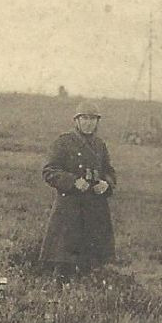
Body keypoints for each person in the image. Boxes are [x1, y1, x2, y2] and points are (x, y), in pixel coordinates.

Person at [39, 102, 117, 283]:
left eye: (93, 119)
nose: (89, 123)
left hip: (95, 209)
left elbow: (109, 171)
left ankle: (86, 295)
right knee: (64, 259)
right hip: (70, 210)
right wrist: (73, 182)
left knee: (92, 261)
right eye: (84, 118)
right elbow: (49, 171)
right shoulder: (64, 142)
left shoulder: (100, 145)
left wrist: (106, 184)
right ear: (76, 121)